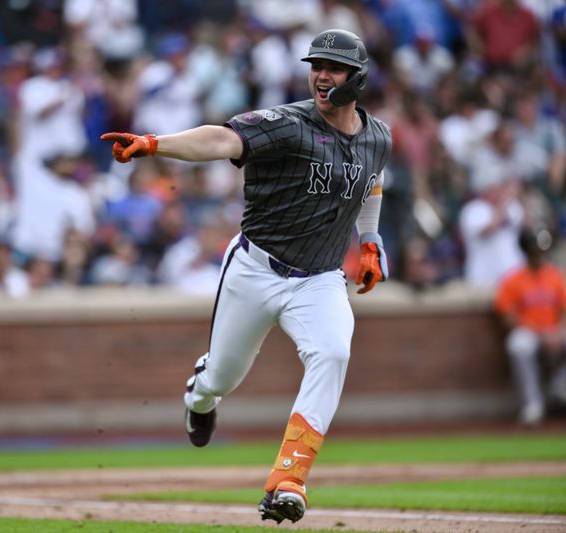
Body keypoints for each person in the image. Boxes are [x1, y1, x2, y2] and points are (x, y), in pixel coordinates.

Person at [101, 29, 392, 524]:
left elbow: (371, 183)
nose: (322, 74)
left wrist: (370, 243)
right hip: (256, 268)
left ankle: (289, 478)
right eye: (316, 64)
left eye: (334, 67)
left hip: (319, 277)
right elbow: (221, 137)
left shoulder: (377, 135)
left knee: (334, 351)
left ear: (357, 78)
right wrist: (154, 144)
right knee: (222, 377)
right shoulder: (287, 124)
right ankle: (200, 393)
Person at [495, 228, 566, 425]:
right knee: (518, 345)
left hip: (555, 330)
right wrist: (539, 333)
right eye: (535, 250)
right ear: (527, 251)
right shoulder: (513, 279)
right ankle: (533, 403)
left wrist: (560, 331)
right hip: (530, 331)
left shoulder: (556, 275)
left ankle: (559, 385)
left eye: (541, 250)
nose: (539, 254)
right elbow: (508, 317)